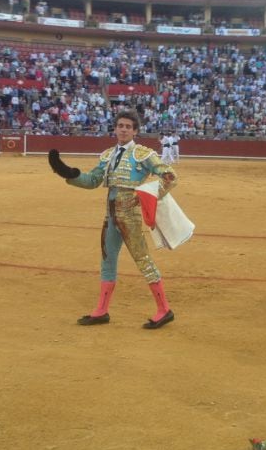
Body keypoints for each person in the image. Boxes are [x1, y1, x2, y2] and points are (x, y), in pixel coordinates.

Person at [47, 109, 177, 329]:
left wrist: (144, 195)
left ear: (135, 131)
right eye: (120, 126)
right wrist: (67, 172)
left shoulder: (143, 154)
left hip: (130, 215)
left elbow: (170, 176)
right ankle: (102, 311)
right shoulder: (107, 155)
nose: (123, 129)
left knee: (143, 260)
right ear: (115, 129)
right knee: (107, 260)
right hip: (110, 214)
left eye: (128, 126)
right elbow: (92, 180)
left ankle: (165, 309)